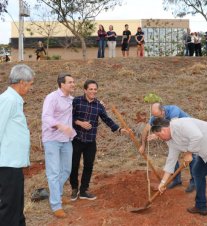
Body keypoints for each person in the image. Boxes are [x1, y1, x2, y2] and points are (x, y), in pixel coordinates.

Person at [152, 118, 207, 226]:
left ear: (163, 130)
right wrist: (163, 183)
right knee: (197, 172)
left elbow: (197, 136)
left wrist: (189, 153)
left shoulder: (180, 124)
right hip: (205, 151)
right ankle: (201, 206)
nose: (160, 139)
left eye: (159, 136)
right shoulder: (170, 141)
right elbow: (171, 160)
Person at [70, 80, 129, 201]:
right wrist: (80, 123)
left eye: (95, 89)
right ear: (85, 90)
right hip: (76, 139)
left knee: (89, 166)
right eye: (90, 89)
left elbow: (106, 119)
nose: (93, 91)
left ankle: (83, 191)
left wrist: (118, 129)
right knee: (73, 165)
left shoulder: (99, 105)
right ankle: (74, 189)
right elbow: (68, 117)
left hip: (91, 141)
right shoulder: (76, 101)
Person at [0, 64, 35, 226]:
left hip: (14, 163)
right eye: (29, 84)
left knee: (16, 206)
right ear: (21, 82)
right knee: (10, 208)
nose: (30, 88)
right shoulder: (8, 100)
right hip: (7, 164)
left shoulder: (14, 100)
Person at [139, 103, 199, 193]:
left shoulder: (174, 111)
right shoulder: (155, 117)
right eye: (154, 116)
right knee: (172, 156)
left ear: (163, 111)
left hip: (190, 134)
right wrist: (143, 145)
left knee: (191, 157)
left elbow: (174, 126)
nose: (155, 118)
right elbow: (145, 130)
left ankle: (194, 182)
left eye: (157, 116)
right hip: (173, 136)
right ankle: (176, 180)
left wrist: (157, 135)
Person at [42, 73, 77, 218]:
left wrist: (99, 103)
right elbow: (46, 117)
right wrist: (61, 126)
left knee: (66, 170)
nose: (73, 84)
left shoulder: (71, 99)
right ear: (62, 84)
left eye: (73, 82)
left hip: (66, 140)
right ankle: (56, 205)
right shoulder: (52, 98)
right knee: (54, 173)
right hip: (52, 140)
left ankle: (57, 193)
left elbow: (84, 102)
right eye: (70, 82)